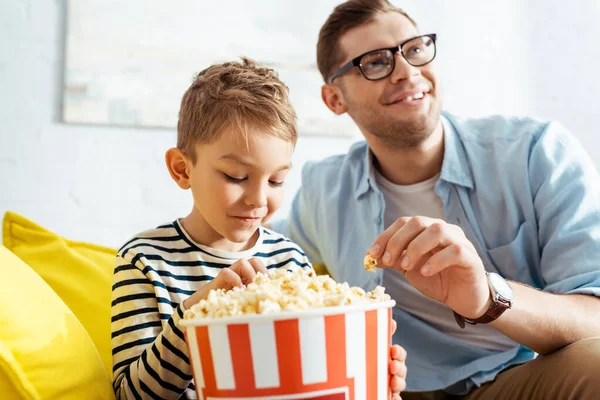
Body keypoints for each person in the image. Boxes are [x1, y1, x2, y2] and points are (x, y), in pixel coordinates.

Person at [272, 1, 600, 399]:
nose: (408, 72)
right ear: (334, 99)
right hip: (383, 387)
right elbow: (268, 256)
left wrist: (486, 296)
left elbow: (594, 317)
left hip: (504, 380)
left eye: (414, 49)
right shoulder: (323, 189)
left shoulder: (535, 152)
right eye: (375, 63)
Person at [111, 57, 406, 400]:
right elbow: (130, 395)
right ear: (182, 169)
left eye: (277, 180)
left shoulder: (290, 261)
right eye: (236, 177)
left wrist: (369, 376)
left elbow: (308, 378)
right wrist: (196, 317)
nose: (258, 199)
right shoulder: (144, 261)